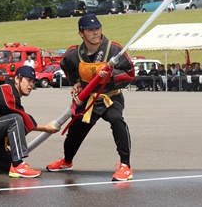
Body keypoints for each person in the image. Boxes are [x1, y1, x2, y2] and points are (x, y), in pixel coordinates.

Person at [46, 13, 135, 181]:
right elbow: (66, 66)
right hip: (88, 99)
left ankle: (125, 165)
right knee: (75, 131)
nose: (95, 33)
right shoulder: (74, 53)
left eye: (98, 29)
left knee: (117, 120)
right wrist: (76, 81)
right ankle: (67, 161)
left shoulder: (114, 49)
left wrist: (110, 75)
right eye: (90, 30)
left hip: (110, 97)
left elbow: (130, 74)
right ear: (81, 33)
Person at [0, 66, 60, 178]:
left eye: (33, 82)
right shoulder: (6, 89)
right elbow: (20, 115)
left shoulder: (13, 95)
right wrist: (45, 128)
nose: (31, 85)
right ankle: (18, 165)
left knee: (8, 163)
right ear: (17, 79)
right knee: (16, 118)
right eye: (29, 80)